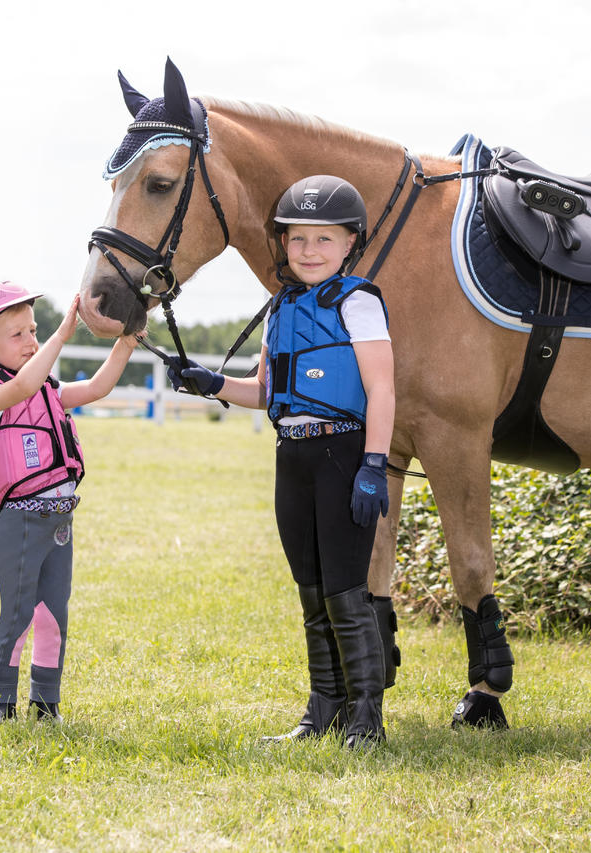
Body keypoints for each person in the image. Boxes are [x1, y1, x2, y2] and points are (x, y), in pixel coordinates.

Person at [166, 175, 395, 749]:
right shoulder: (282, 307)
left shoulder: (360, 301)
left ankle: (366, 716)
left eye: (324, 239)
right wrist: (214, 383)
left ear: (349, 244)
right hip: (292, 456)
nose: (309, 251)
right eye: (298, 239)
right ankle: (324, 708)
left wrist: (373, 464)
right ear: (284, 244)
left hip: (344, 452)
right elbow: (265, 391)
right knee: (312, 590)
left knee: (347, 590)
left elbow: (384, 391)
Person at [0, 281, 139, 724]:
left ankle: (46, 703)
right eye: (18, 335)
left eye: (34, 331)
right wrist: (61, 336)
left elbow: (95, 388)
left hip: (59, 520)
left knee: (53, 614)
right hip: (19, 522)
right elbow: (20, 390)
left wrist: (126, 343)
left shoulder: (46, 385)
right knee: (18, 613)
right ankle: (0, 703)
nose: (31, 341)